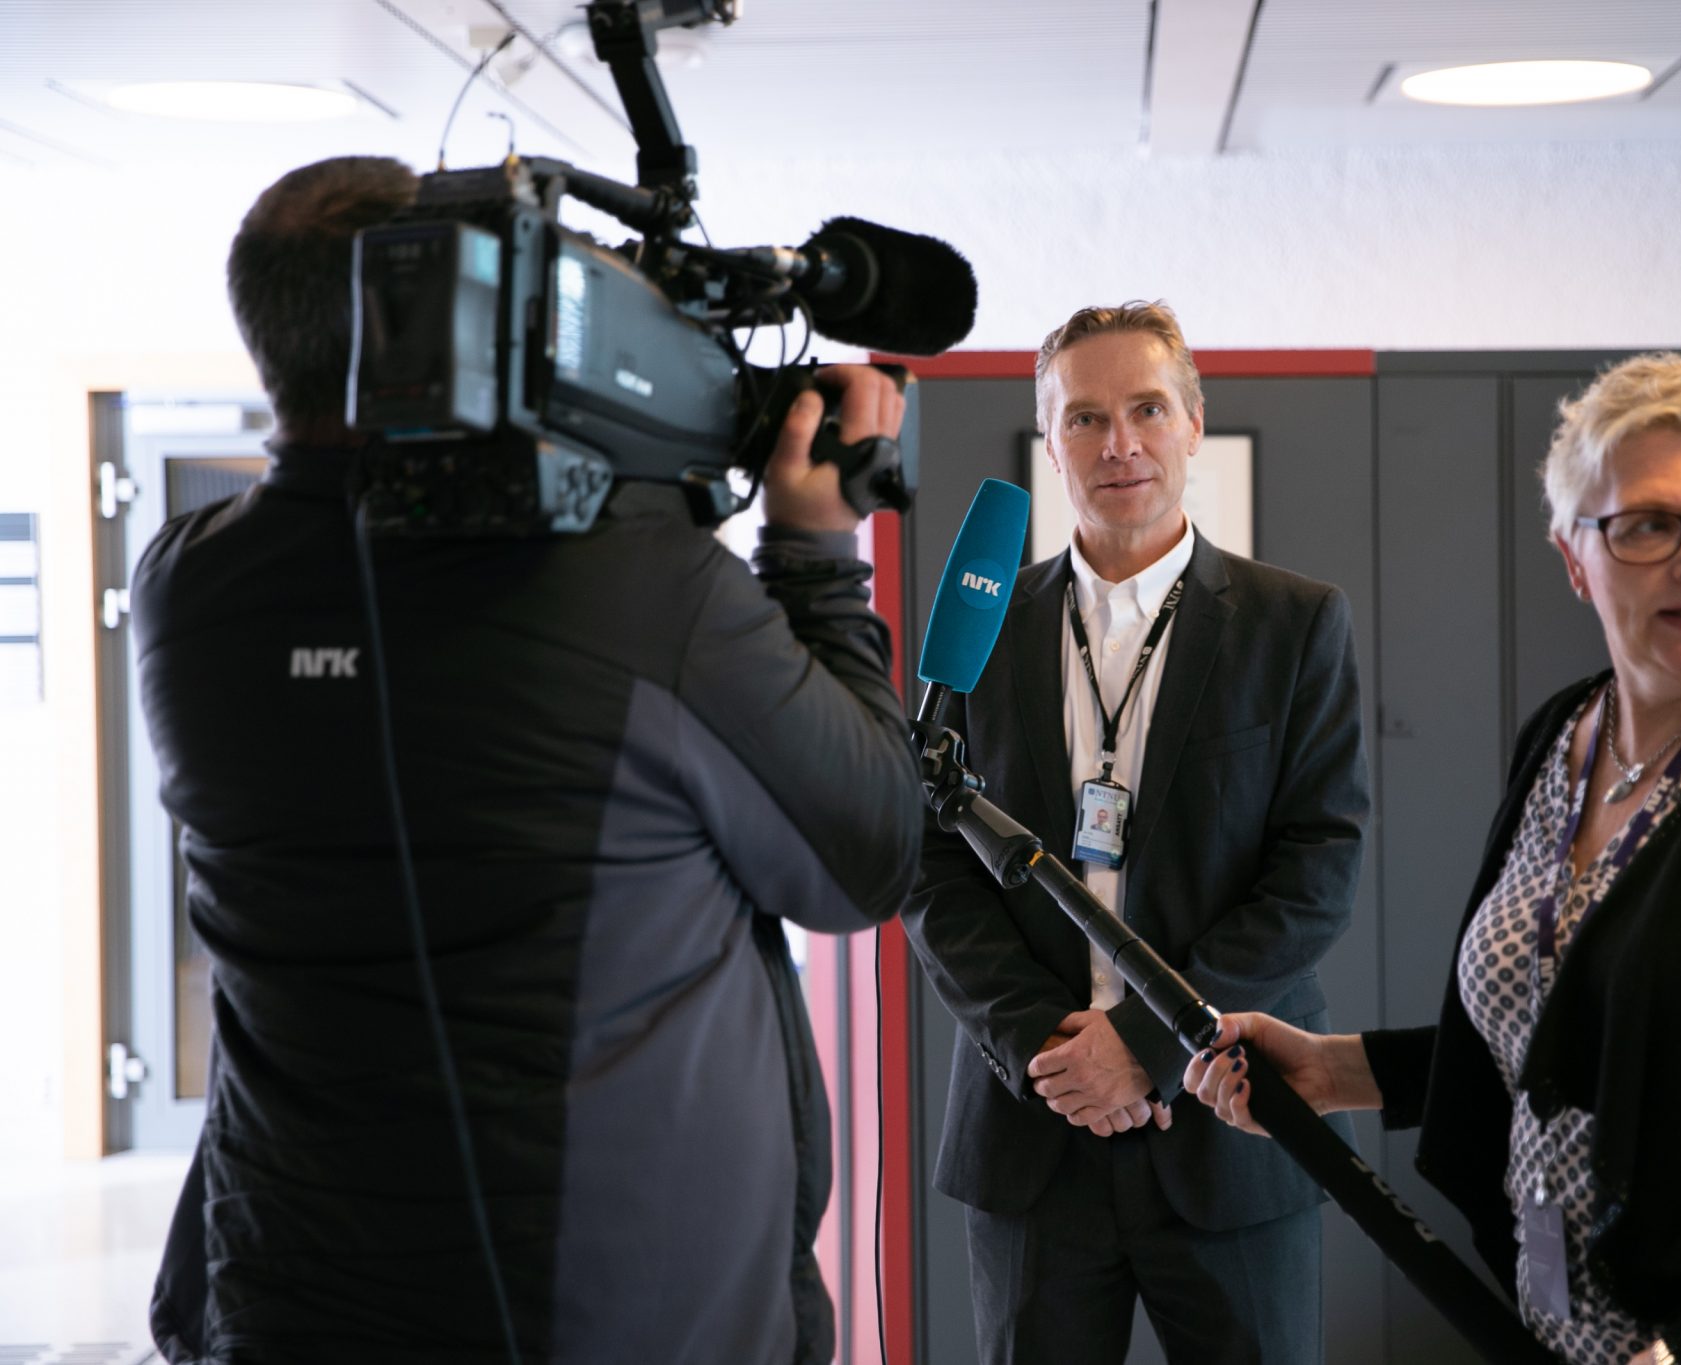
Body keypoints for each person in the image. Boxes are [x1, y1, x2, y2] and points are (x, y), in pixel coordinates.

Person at [137, 157, 924, 1364]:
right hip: (595, 1308)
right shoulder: (643, 589)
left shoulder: (187, 585)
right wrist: (814, 554)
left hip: (280, 1285)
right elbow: (861, 859)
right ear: (447, 303)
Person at [1185, 352, 1681, 1365]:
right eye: (1647, 524)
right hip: (1578, 1336)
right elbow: (1575, 1039)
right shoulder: (1565, 734)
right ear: (1574, 555)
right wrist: (1342, 1071)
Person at [903, 301, 1371, 1364]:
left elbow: (1317, 871)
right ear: (1048, 438)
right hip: (1033, 1132)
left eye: (1146, 409)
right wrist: (1045, 1051)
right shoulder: (976, 636)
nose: (1117, 443)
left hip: (1230, 1133)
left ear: (1192, 422)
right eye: (1083, 418)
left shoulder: (1295, 624)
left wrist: (1148, 1046)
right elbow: (932, 867)